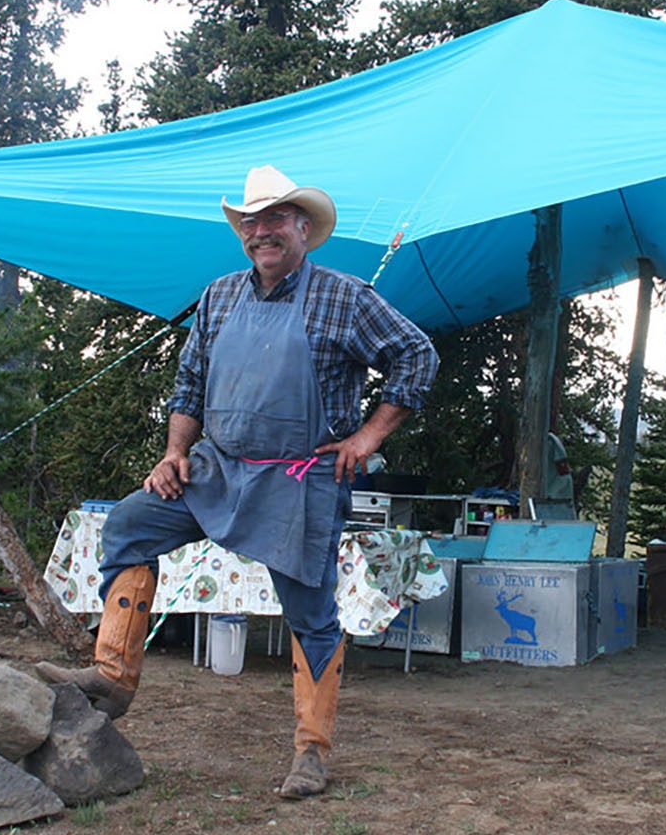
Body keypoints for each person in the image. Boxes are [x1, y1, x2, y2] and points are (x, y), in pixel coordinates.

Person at [38, 165, 438, 799]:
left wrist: (368, 437)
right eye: (251, 222)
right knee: (128, 526)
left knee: (310, 613)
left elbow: (416, 354)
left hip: (297, 481)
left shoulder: (345, 296)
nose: (262, 232)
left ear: (304, 228)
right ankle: (112, 677)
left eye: (275, 219)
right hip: (216, 470)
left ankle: (312, 751)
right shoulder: (220, 296)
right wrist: (174, 452)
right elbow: (190, 384)